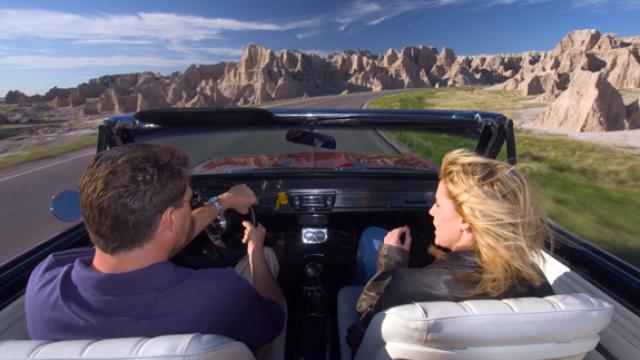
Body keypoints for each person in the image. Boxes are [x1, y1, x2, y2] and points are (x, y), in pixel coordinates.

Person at [25, 143, 285, 351]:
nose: (192, 207)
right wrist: (256, 251)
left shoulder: (45, 282)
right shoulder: (220, 295)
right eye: (188, 201)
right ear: (170, 219)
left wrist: (223, 202)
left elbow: (157, 244)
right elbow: (274, 316)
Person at [348, 148, 555, 351]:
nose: (431, 211)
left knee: (370, 238)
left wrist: (391, 264)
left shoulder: (407, 284)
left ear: (465, 220)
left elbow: (361, 334)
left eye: (438, 204)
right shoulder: (537, 281)